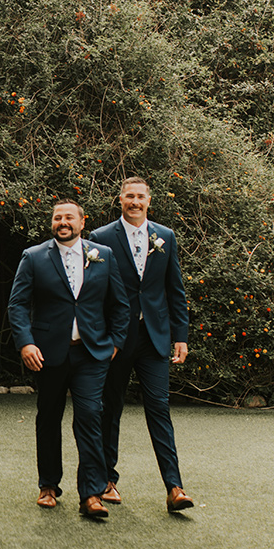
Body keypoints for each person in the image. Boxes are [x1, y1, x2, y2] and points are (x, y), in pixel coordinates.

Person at [8, 199, 129, 518]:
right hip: (47, 353)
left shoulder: (103, 255)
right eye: (58, 217)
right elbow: (17, 305)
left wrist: (115, 342)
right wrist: (26, 343)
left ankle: (90, 493)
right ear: (52, 223)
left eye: (69, 218)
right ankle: (48, 484)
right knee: (48, 416)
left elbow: (120, 304)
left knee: (90, 415)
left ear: (82, 221)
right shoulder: (33, 257)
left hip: (92, 353)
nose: (63, 222)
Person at [89, 177, 194, 512]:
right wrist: (100, 337)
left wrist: (181, 336)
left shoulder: (165, 237)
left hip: (154, 338)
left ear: (150, 200)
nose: (135, 202)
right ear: (120, 199)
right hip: (117, 340)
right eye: (129, 196)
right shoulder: (101, 238)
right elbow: (94, 293)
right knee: (110, 408)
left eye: (140, 197)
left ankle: (174, 487)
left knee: (159, 409)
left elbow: (174, 290)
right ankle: (107, 481)